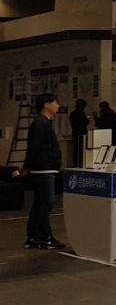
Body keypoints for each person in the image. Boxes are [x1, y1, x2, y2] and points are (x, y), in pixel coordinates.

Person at [23, 93, 65, 250]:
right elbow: (34, 147)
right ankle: (44, 236)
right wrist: (28, 166)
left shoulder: (44, 123)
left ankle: (34, 236)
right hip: (43, 169)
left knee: (40, 203)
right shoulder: (40, 124)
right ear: (46, 105)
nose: (58, 106)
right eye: (55, 103)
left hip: (45, 168)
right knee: (46, 203)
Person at [68, 99, 90, 169]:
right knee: (82, 149)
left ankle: (75, 163)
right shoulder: (81, 114)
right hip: (82, 133)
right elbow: (84, 123)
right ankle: (81, 163)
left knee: (76, 149)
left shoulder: (72, 114)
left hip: (75, 133)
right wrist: (88, 120)